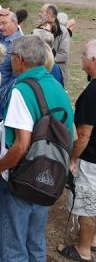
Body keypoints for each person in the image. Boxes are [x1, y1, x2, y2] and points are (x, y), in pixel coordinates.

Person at [0, 35, 74, 262]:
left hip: (20, 178)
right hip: (48, 174)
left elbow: (21, 145)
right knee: (36, 241)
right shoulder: (57, 87)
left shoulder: (22, 90)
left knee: (12, 246)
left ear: (19, 59)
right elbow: (71, 134)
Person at [58, 39, 96, 262]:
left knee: (87, 203)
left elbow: (83, 135)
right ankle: (93, 240)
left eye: (83, 56)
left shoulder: (92, 92)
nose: (80, 60)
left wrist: (72, 157)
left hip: (91, 159)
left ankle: (83, 250)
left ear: (93, 60)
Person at [38, 4, 71, 85]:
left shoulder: (63, 32)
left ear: (49, 14)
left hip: (56, 71)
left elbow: (64, 55)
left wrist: (45, 61)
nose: (39, 14)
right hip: (40, 70)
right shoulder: (39, 29)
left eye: (41, 12)